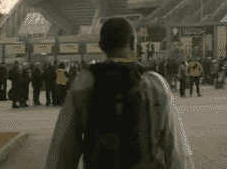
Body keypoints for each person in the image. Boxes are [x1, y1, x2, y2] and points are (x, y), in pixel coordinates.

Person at [44, 17, 194, 169]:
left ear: (101, 46)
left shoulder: (84, 84)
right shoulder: (155, 84)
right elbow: (176, 149)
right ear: (133, 42)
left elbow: (62, 149)